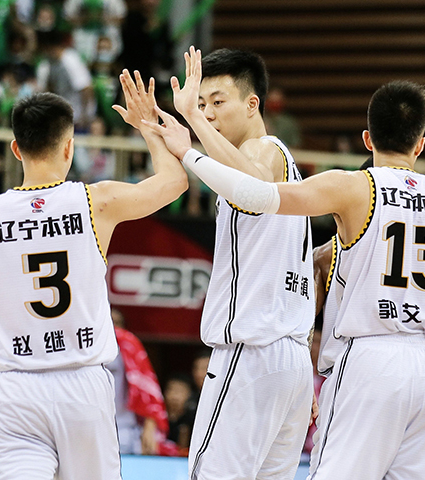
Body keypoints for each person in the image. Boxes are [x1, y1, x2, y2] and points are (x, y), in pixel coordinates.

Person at [145, 79, 425, 479]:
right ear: (420, 144)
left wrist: (188, 150)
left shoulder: (352, 187)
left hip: (372, 359)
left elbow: (257, 195)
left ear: (367, 139)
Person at [0, 82, 187, 479]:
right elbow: (174, 183)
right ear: (69, 148)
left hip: (14, 389)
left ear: (16, 149)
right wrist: (148, 127)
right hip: (81, 385)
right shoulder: (96, 201)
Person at [157, 46, 316, 480]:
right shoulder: (274, 163)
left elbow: (254, 184)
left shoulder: (266, 150)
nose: (207, 113)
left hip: (251, 351)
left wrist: (190, 132)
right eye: (201, 104)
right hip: (291, 360)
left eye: (216, 102)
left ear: (251, 104)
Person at [109, 308, 171, 456]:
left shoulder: (132, 347)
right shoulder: (86, 350)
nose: (113, 327)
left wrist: (149, 427)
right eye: (109, 321)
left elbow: (148, 391)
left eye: (116, 323)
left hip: (124, 428)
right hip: (90, 425)